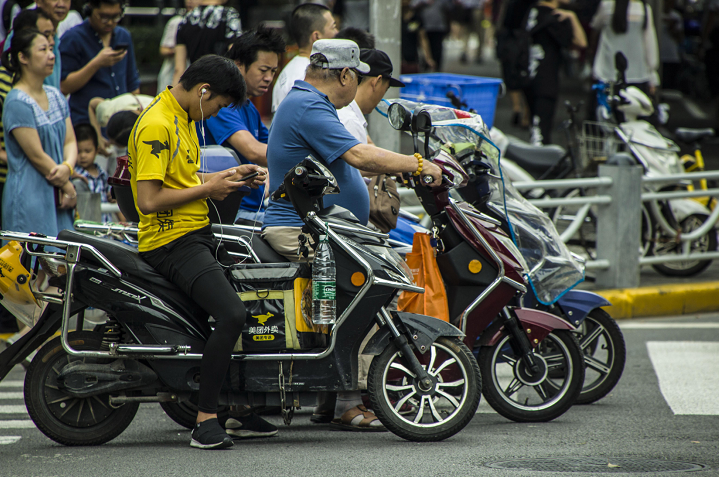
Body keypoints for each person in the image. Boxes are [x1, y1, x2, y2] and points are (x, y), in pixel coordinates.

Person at [262, 39, 442, 431]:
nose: (357, 86)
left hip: (320, 226)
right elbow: (358, 156)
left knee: (349, 297)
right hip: (300, 229)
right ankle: (348, 401)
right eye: (356, 77)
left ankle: (331, 401)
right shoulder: (309, 105)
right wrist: (417, 163)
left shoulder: (308, 102)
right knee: (373, 288)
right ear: (345, 74)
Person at [128, 55, 267, 449]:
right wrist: (210, 189)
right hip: (171, 241)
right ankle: (206, 421)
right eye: (219, 105)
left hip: (195, 233)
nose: (216, 113)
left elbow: (184, 179)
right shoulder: (158, 123)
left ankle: (238, 407)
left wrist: (225, 177)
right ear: (204, 91)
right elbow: (149, 200)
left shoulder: (184, 117)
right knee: (232, 313)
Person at [200, 25, 283, 226]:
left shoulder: (248, 106)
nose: (269, 78)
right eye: (263, 70)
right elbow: (254, 151)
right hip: (234, 212)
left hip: (255, 208)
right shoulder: (221, 106)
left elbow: (271, 147)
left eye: (273, 71)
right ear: (238, 65)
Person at [1, 28, 77, 240]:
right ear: (22, 57)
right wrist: (66, 183)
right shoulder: (17, 101)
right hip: (30, 195)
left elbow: (70, 141)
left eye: (51, 49)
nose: (51, 55)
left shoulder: (55, 94)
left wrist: (67, 167)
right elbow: (36, 156)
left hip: (58, 194)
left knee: (61, 265)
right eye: (43, 50)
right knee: (31, 266)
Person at [0, 8, 55, 226]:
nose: (50, 50)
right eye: (43, 43)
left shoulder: (50, 89)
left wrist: (65, 169)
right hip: (16, 179)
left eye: (51, 38)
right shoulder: (13, 93)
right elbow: (36, 155)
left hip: (44, 181)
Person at [59, 0, 140, 125]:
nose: (110, 22)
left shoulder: (124, 36)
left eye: (116, 17)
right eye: (103, 17)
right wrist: (96, 64)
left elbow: (132, 83)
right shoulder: (73, 38)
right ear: (90, 10)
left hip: (121, 124)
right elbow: (64, 86)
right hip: (86, 124)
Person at [524, 0, 586, 145]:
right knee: (542, 129)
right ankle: (540, 162)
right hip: (547, 78)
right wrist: (572, 17)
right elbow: (581, 43)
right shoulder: (556, 17)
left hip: (528, 76)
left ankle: (535, 156)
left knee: (536, 125)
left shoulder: (530, 12)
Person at [271, 2, 337, 112]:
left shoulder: (291, 70)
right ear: (317, 36)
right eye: (333, 27)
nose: (336, 33)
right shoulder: (307, 76)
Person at [589, 0, 658, 97]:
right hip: (638, 74)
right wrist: (652, 76)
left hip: (607, 73)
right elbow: (649, 43)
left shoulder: (607, 5)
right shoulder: (644, 9)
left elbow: (595, 26)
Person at [337, 48, 405, 146]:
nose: (382, 97)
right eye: (386, 88)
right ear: (377, 82)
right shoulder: (351, 121)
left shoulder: (340, 109)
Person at [171, 0, 242, 86]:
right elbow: (236, 56)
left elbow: (179, 69)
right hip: (221, 84)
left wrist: (172, 96)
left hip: (195, 85)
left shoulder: (186, 18)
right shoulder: (229, 15)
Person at [72, 123, 115, 222]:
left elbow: (111, 198)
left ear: (97, 150)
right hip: (84, 230)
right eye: (79, 151)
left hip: (105, 230)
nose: (83, 156)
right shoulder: (74, 176)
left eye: (87, 151)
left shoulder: (103, 175)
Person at [88, 92, 153, 153]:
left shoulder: (156, 124)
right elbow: (92, 104)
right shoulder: (108, 112)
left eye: (116, 144)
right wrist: (98, 137)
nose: (109, 143)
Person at [157, 0, 198, 92]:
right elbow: (163, 49)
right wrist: (180, 51)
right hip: (171, 76)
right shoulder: (177, 22)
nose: (190, 1)